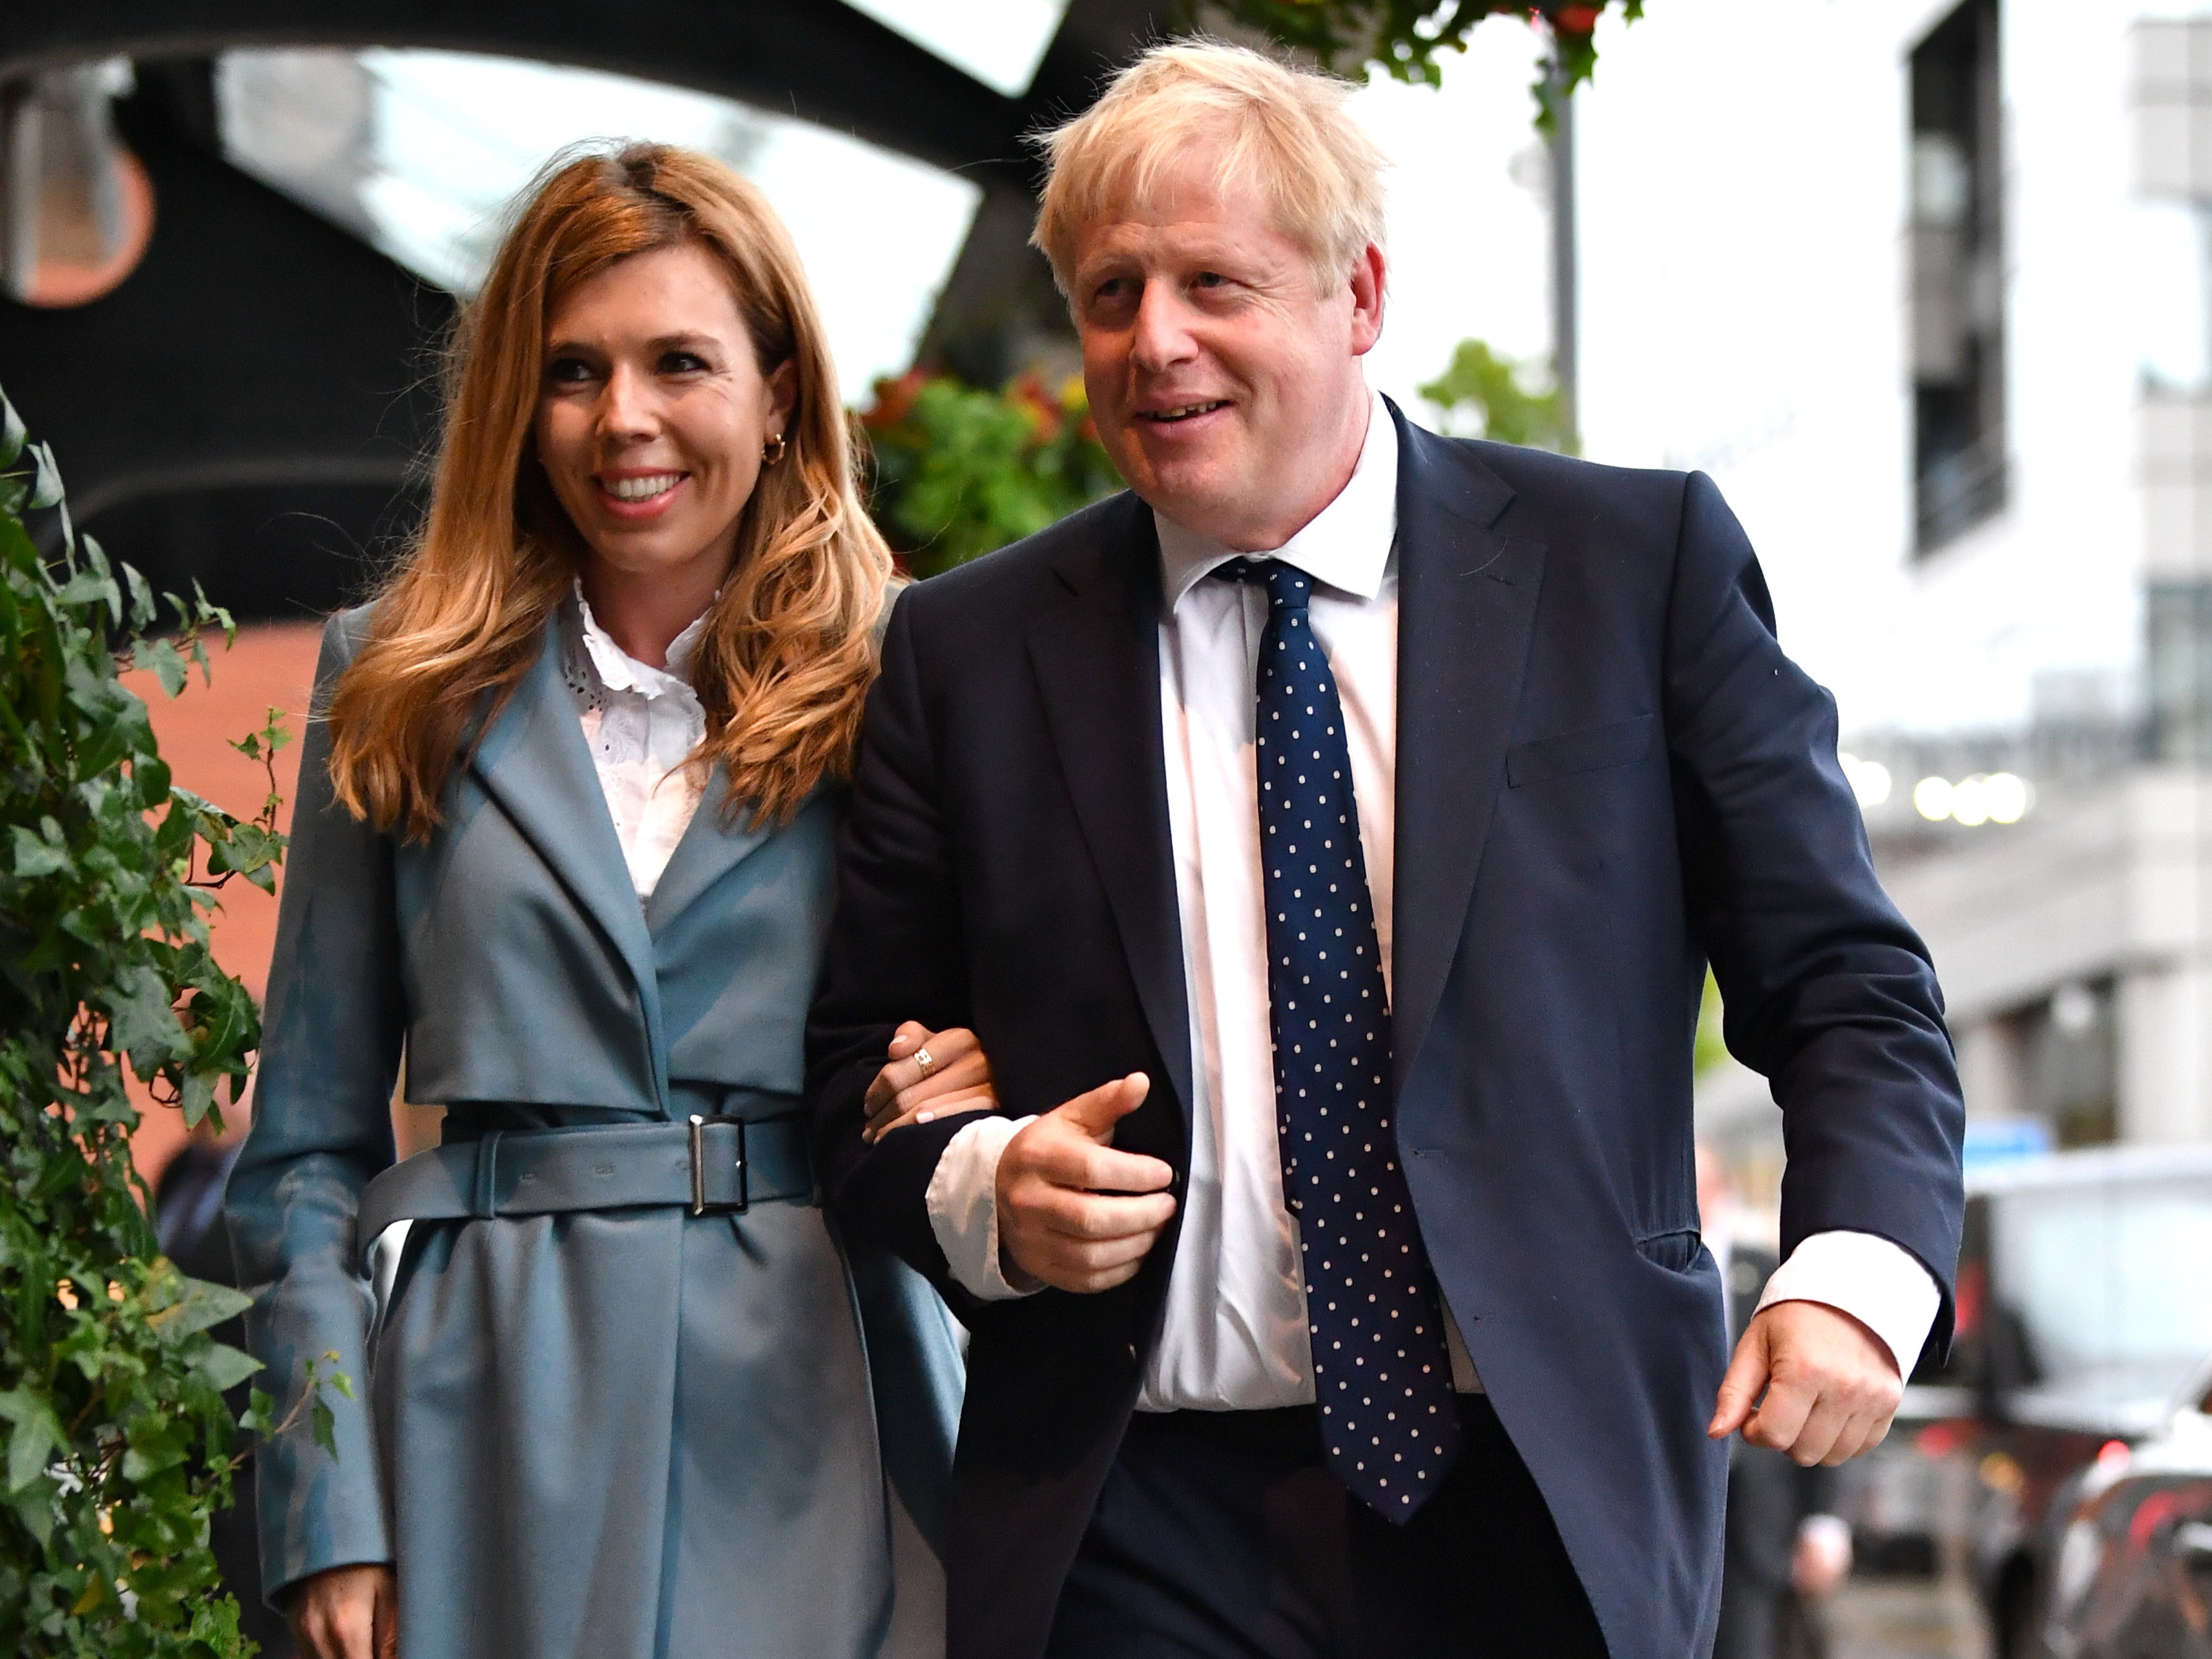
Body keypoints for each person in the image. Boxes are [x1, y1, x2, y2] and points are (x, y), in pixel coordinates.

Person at [807, 41, 1965, 1659]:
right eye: (1111, 292)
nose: (1155, 343)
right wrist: (983, 1187)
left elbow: (1843, 980)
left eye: (1215, 281)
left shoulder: (1635, 570)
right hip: (1135, 1501)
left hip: (1546, 1486)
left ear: (1358, 293)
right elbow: (855, 1067)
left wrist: (1854, 1268)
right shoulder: (966, 652)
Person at [227, 143, 964, 1659]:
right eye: (572, 370)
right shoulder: (395, 680)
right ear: (517, 405)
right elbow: (301, 1150)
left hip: (816, 1395)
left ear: (775, 392)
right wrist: (325, 1493)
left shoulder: (911, 675)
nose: (623, 417)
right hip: (477, 1406)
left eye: (677, 362)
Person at [1699, 1147, 1853, 1659]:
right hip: (1671, 1516)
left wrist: (1823, 1519)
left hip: (1758, 1522)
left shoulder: (1772, 1275)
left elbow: (1821, 1383)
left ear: (1720, 1192)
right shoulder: (1635, 1284)